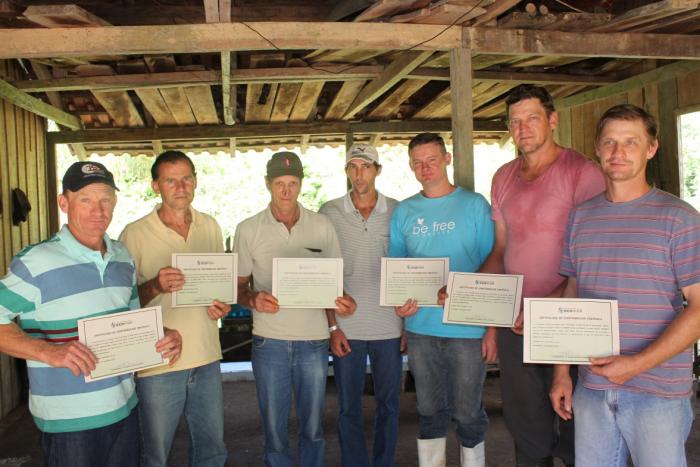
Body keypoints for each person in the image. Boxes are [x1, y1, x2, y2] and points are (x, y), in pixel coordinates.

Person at [0, 161, 182, 467]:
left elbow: (131, 318)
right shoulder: (36, 261)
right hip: (70, 421)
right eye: (85, 200)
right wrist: (49, 352)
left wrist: (163, 335)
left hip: (124, 408)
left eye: (105, 200)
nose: (98, 210)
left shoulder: (122, 256)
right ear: (64, 202)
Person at [549, 104, 700, 467]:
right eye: (610, 142)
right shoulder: (581, 217)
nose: (618, 153)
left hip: (658, 393)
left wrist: (635, 364)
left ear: (651, 148)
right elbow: (572, 293)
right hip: (593, 388)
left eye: (631, 142)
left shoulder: (680, 219)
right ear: (598, 149)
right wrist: (561, 374)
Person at [480, 84, 605, 467]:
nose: (523, 128)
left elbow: (591, 257)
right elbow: (500, 250)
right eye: (515, 121)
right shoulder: (503, 176)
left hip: (570, 319)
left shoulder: (582, 172)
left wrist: (549, 304)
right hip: (516, 323)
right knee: (525, 423)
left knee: (576, 420)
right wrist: (473, 297)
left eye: (532, 118)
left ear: (552, 120)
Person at [234, 151, 356, 467]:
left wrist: (341, 311)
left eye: (292, 183)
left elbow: (333, 286)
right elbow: (237, 288)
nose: (286, 190)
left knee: (313, 428)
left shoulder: (322, 225)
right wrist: (252, 299)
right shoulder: (248, 229)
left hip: (313, 342)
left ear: (301, 184)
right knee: (274, 430)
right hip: (269, 342)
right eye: (279, 183)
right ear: (267, 184)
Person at [390, 133, 495, 467]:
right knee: (428, 410)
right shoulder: (404, 211)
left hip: (468, 329)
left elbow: (492, 265)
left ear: (447, 159)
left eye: (431, 159)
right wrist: (401, 311)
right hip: (421, 330)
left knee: (467, 411)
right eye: (417, 162)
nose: (425, 168)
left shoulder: (475, 204)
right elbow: (397, 269)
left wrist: (492, 329)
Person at [119, 151, 229, 467]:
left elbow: (218, 290)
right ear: (156, 186)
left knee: (212, 450)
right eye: (171, 180)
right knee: (155, 453)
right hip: (157, 361)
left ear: (195, 181)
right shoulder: (134, 233)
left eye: (186, 178)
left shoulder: (210, 225)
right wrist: (154, 285)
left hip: (206, 357)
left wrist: (221, 305)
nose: (181, 187)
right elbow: (120, 303)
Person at [319, 143, 402, 467]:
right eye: (352, 167)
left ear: (377, 170)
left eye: (365, 167)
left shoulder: (397, 211)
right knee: (348, 407)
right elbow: (325, 274)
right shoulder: (329, 212)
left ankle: (385, 463)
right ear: (346, 172)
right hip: (348, 329)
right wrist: (333, 326)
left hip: (390, 327)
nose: (359, 174)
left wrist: (407, 326)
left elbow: (406, 266)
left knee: (389, 404)